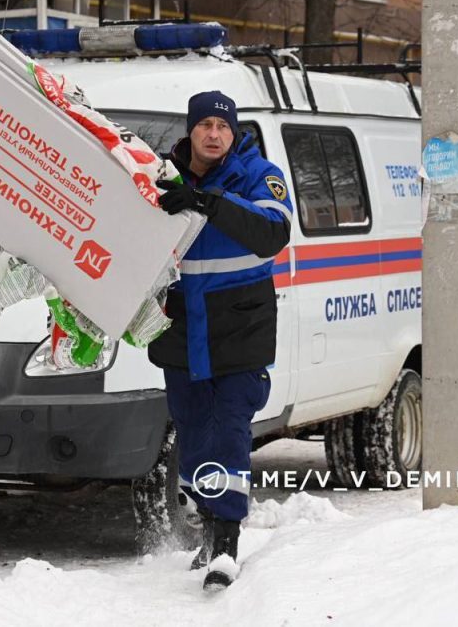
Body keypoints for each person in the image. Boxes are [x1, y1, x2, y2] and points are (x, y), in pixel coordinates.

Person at [150, 91, 293, 591]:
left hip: (240, 326)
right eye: (205, 125)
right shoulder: (161, 176)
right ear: (190, 130)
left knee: (229, 429)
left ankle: (227, 545)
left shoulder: (257, 174)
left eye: (223, 126)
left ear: (234, 132)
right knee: (193, 432)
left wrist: (207, 202)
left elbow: (272, 233)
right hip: (182, 326)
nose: (214, 134)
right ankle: (211, 529)